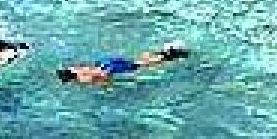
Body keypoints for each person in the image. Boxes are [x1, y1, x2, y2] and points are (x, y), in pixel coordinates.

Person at [58, 43, 188, 85]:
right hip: (104, 62)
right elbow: (88, 67)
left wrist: (108, 85)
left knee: (139, 65)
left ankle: (171, 55)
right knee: (137, 61)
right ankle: (163, 52)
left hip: (109, 68)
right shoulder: (73, 68)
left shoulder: (81, 79)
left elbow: (103, 75)